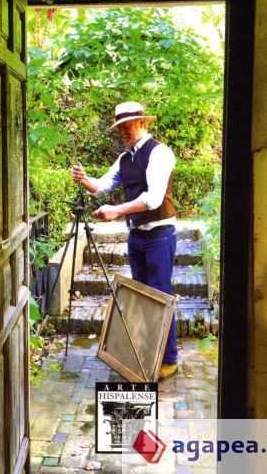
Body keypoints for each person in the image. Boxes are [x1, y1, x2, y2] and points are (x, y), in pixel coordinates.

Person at [71, 101, 178, 380]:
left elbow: (154, 198)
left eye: (127, 126)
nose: (123, 132)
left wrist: (116, 210)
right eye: (120, 128)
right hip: (137, 237)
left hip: (159, 235)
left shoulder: (160, 153)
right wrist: (84, 180)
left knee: (160, 295)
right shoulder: (125, 158)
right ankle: (145, 354)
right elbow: (102, 185)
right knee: (142, 299)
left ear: (142, 122)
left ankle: (169, 359)